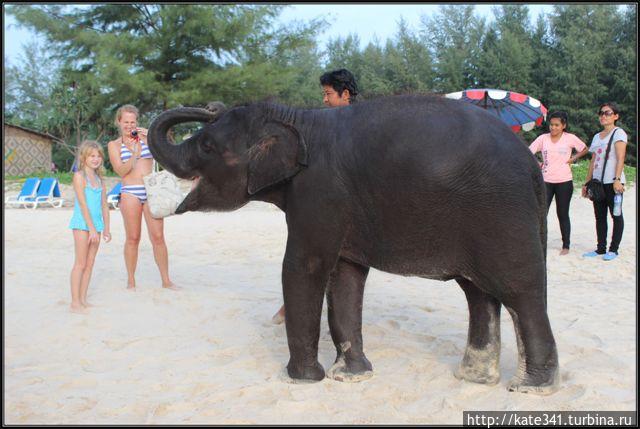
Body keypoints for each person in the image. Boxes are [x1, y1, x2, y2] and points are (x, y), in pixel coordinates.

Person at [271, 68, 359, 324]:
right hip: (327, 202)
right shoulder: (328, 123)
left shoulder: (358, 124)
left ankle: (291, 309)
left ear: (345, 94)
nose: (324, 100)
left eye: (328, 94)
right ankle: (292, 308)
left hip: (343, 205)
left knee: (319, 259)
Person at [107, 105, 179, 290]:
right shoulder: (114, 145)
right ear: (119, 122)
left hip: (152, 191)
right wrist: (133, 154)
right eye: (126, 122)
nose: (129, 125)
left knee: (158, 237)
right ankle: (131, 281)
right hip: (130, 191)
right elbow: (120, 170)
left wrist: (153, 138)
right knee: (133, 238)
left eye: (132, 122)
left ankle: (166, 280)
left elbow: (165, 158)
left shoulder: (147, 140)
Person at [529, 111, 588, 255]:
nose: (553, 128)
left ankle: (566, 245)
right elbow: (528, 151)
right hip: (546, 181)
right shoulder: (543, 138)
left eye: (557, 125)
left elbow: (585, 149)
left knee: (562, 213)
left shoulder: (570, 138)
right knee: (542, 213)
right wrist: (538, 163)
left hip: (564, 182)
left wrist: (573, 158)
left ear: (564, 126)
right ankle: (540, 243)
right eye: (551, 124)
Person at [581, 102, 628, 261]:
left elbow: (621, 157)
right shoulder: (596, 136)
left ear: (615, 116)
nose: (603, 116)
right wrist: (586, 183)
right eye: (601, 113)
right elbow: (593, 161)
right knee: (599, 216)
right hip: (598, 183)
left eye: (607, 113)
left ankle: (613, 249)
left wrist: (617, 179)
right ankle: (601, 248)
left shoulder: (618, 133)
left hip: (613, 182)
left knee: (616, 214)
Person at [68, 141, 111, 313]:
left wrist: (106, 228)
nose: (95, 159)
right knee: (80, 263)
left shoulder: (100, 179)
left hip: (97, 225)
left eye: (98, 155)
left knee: (90, 263)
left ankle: (83, 299)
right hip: (82, 225)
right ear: (84, 157)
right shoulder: (79, 176)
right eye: (92, 156)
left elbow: (104, 205)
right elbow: (83, 204)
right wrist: (91, 229)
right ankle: (75, 302)